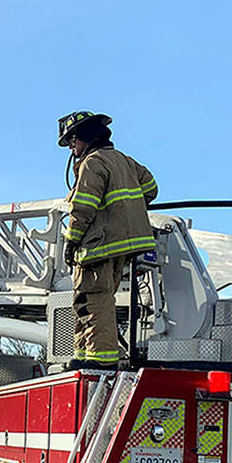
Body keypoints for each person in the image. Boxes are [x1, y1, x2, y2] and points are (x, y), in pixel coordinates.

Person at [57, 111, 159, 370]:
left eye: (72, 141)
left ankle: (101, 359)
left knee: (94, 300)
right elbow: (151, 188)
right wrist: (127, 212)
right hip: (121, 245)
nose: (71, 148)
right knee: (86, 299)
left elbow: (83, 208)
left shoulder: (92, 163)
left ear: (84, 137)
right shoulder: (125, 161)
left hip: (98, 245)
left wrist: (71, 241)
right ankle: (84, 353)